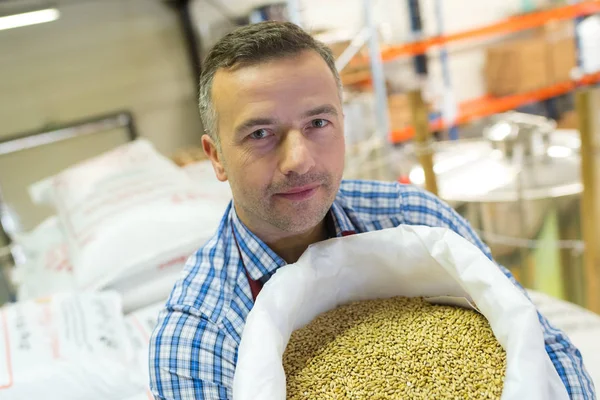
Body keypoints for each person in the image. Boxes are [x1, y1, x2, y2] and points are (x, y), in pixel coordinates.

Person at [149, 21, 595, 399]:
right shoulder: (196, 338)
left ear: (343, 125)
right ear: (216, 157)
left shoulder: (413, 217)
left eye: (318, 123)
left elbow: (545, 346)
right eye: (261, 134)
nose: (299, 160)